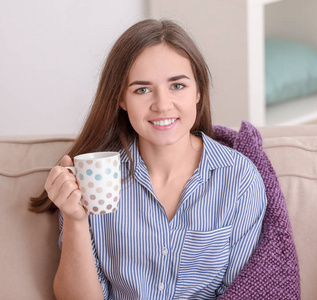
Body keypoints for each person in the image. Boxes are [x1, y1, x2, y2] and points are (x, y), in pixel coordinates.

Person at [29, 19, 267, 299]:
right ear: (121, 99)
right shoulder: (92, 180)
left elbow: (244, 292)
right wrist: (75, 220)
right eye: (142, 89)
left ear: (199, 92)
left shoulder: (238, 179)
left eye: (177, 86)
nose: (162, 104)